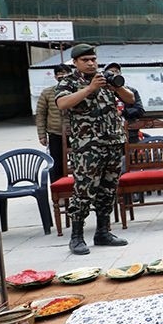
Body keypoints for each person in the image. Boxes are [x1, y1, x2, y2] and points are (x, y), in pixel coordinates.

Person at [55, 44, 133, 255]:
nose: (91, 63)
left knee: (108, 189)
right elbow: (62, 104)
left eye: (93, 59)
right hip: (87, 148)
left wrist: (115, 86)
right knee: (84, 191)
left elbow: (130, 99)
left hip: (113, 144)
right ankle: (77, 237)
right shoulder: (69, 82)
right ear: (75, 63)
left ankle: (103, 232)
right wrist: (89, 89)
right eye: (85, 60)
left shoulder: (105, 78)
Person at [36, 63, 72, 182]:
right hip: (55, 133)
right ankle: (58, 191)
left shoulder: (77, 91)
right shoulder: (47, 93)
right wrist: (42, 135)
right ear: (55, 77)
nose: (63, 76)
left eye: (66, 73)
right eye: (60, 73)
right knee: (56, 164)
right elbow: (40, 114)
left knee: (79, 163)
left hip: (76, 133)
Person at [104, 62, 145, 142]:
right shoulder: (101, 91)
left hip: (130, 132)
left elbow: (140, 110)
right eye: (111, 72)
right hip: (107, 135)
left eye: (117, 71)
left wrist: (123, 112)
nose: (114, 74)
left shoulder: (130, 91)